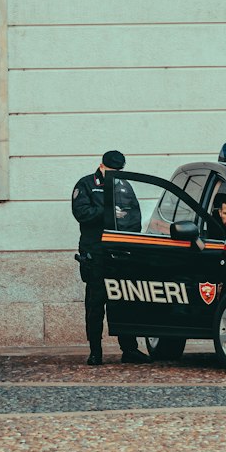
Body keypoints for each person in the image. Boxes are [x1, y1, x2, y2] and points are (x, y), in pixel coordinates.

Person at [71, 150, 149, 366]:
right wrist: (108, 212)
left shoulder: (124, 186)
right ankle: (95, 351)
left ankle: (129, 349)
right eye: (111, 170)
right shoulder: (86, 184)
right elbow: (81, 213)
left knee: (124, 302)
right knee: (95, 305)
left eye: (118, 171)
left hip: (120, 253)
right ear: (102, 166)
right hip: (95, 253)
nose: (115, 174)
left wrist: (132, 242)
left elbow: (134, 215)